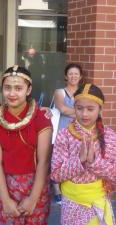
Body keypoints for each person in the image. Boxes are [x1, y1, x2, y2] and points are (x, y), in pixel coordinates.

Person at [0, 65, 52, 225]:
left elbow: (44, 162)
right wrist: (5, 199)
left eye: (18, 88)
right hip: (6, 187)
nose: (12, 93)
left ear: (28, 90)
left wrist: (32, 199)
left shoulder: (41, 120)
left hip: (36, 188)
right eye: (7, 88)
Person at [51, 83, 116, 225]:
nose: (84, 114)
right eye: (79, 108)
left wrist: (94, 162)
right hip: (72, 206)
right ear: (74, 108)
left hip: (99, 201)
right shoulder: (64, 135)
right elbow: (55, 175)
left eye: (90, 109)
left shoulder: (110, 136)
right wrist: (79, 161)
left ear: (100, 109)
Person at [52, 63, 84, 204]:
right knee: (59, 159)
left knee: (75, 158)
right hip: (62, 129)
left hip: (78, 130)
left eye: (76, 74)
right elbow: (63, 109)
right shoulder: (60, 92)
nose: (73, 76)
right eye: (70, 73)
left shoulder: (83, 91)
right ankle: (57, 190)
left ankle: (70, 187)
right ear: (66, 76)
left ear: (80, 76)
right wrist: (82, 112)